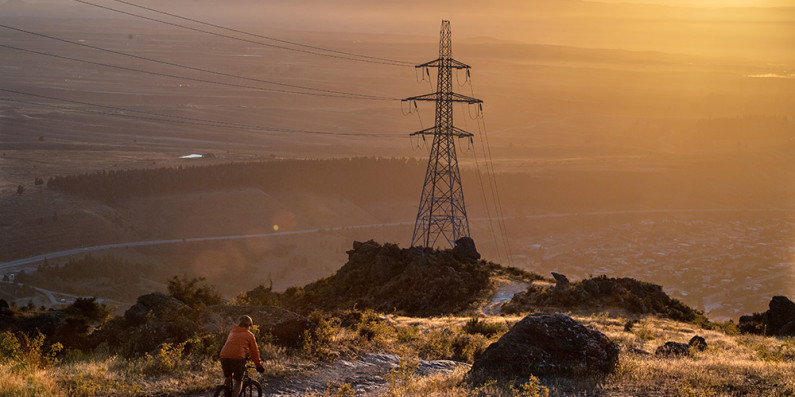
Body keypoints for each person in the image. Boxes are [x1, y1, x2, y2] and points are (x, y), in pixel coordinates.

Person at [219, 315, 265, 396]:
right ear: (249, 325)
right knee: (238, 383)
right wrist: (258, 365)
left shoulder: (232, 332)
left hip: (224, 356)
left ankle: (226, 392)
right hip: (238, 358)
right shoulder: (250, 335)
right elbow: (254, 352)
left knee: (228, 378)